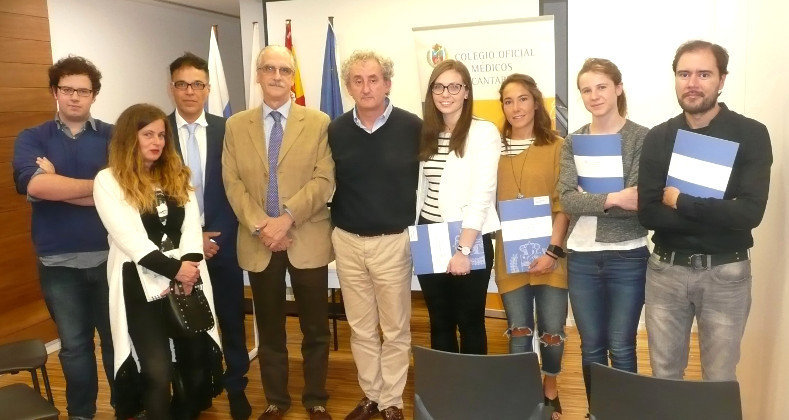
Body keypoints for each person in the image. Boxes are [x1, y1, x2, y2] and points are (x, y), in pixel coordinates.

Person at [638, 40, 771, 381]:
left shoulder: (751, 134)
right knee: (664, 375)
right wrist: (720, 212)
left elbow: (749, 214)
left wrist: (682, 202)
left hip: (727, 275)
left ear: (722, 80)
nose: (692, 82)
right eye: (684, 74)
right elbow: (649, 214)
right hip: (666, 272)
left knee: (719, 379)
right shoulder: (659, 137)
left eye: (704, 74)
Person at [222, 45, 334, 420]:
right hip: (258, 241)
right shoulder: (236, 125)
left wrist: (286, 219)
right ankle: (276, 401)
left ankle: (315, 397)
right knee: (269, 329)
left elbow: (324, 179)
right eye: (268, 69)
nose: (276, 76)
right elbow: (232, 182)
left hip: (307, 238)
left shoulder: (318, 122)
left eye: (284, 70)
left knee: (316, 329)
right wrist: (262, 226)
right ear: (258, 74)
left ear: (292, 77)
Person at [93, 103, 223, 419]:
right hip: (139, 285)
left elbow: (192, 228)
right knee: (157, 370)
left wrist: (186, 271)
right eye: (147, 134)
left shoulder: (177, 176)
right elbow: (130, 239)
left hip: (186, 282)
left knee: (193, 363)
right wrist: (174, 269)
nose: (157, 142)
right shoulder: (109, 181)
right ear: (129, 138)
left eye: (161, 135)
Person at [12, 55, 114, 419]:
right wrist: (100, 188)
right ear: (55, 91)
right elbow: (36, 185)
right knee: (73, 347)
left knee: (118, 342)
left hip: (109, 260)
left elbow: (126, 193)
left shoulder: (113, 136)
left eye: (83, 91)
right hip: (57, 264)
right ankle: (82, 414)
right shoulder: (32, 138)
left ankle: (127, 409)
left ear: (94, 95)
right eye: (67, 89)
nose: (75, 97)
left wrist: (57, 185)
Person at [329, 50, 421, 420]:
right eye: (357, 80)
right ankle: (370, 395)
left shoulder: (412, 127)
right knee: (361, 328)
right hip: (348, 241)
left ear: (387, 84)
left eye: (373, 79)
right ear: (348, 86)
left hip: (392, 242)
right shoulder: (335, 130)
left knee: (396, 329)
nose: (366, 87)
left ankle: (392, 401)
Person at [557, 58, 649, 405]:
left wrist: (592, 198)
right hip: (581, 257)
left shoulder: (641, 137)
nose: (594, 95)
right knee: (591, 346)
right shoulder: (573, 142)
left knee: (623, 345)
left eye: (601, 87)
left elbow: (639, 200)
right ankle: (597, 412)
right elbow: (567, 200)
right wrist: (614, 197)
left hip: (629, 255)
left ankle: (625, 414)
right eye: (586, 89)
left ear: (618, 88)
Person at [167, 52, 251, 419]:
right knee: (184, 320)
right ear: (172, 88)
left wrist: (215, 237)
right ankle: (195, 391)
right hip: (176, 248)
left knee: (230, 319)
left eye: (197, 84)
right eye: (182, 84)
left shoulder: (228, 129)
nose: (190, 91)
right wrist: (191, 239)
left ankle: (236, 387)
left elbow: (240, 187)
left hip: (225, 243)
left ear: (208, 88)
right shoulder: (157, 131)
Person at [495, 73, 569, 418]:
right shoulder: (491, 149)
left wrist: (552, 251)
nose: (516, 107)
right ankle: (521, 395)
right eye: (508, 101)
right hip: (509, 256)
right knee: (520, 330)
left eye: (522, 98)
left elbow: (563, 204)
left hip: (551, 255)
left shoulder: (556, 146)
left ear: (535, 102)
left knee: (552, 331)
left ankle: (549, 390)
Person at [415, 59, 500, 355]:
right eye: (439, 86)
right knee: (439, 320)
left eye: (454, 86)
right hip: (429, 233)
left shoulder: (483, 132)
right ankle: (446, 395)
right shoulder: (426, 132)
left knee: (469, 321)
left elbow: (483, 194)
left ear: (466, 92)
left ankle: (473, 397)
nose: (445, 93)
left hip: (467, 235)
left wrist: (463, 250)